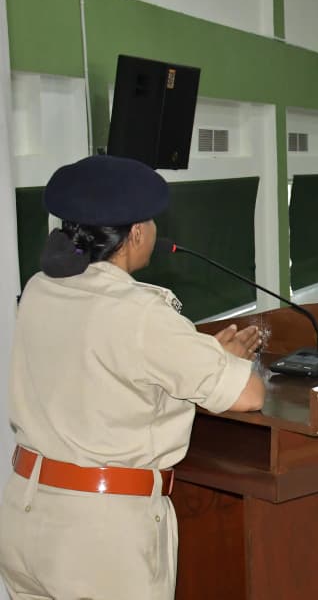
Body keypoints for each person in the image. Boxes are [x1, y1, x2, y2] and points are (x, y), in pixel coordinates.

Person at [0, 155, 265, 600]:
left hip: (26, 517)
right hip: (100, 539)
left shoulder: (40, 289)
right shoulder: (140, 312)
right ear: (137, 234)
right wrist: (226, 358)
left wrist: (200, 357)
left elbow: (98, 368)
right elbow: (248, 394)